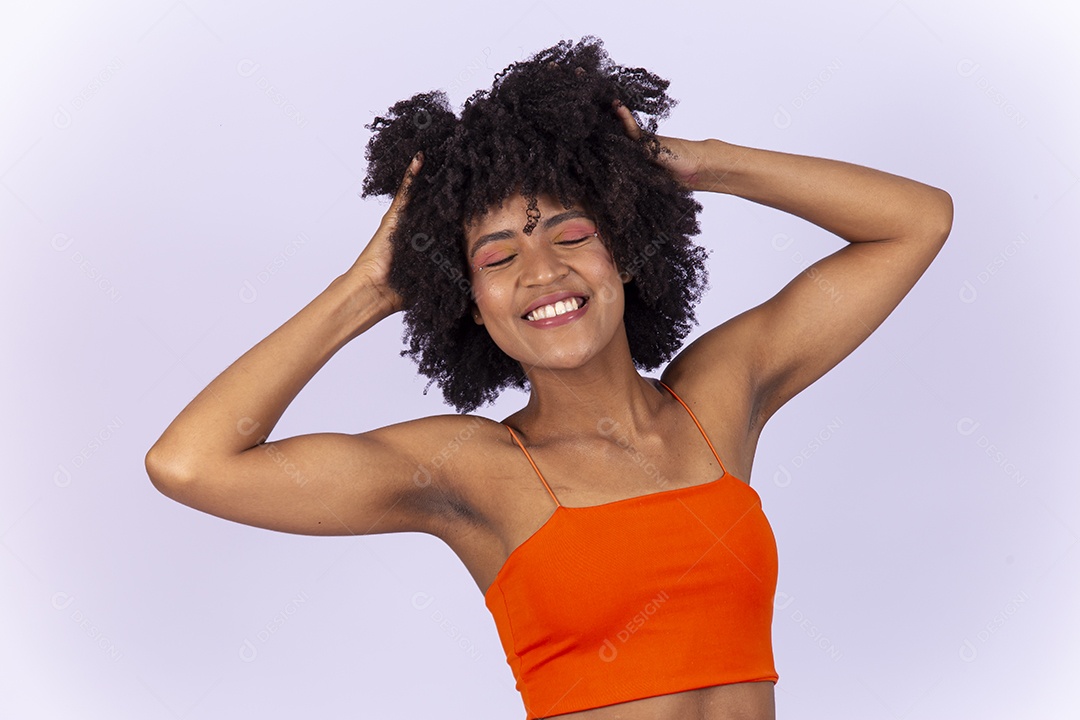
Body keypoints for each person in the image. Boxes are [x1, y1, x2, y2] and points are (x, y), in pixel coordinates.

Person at [146, 37, 952, 720]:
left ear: (625, 249)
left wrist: (685, 164)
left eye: (572, 233)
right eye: (497, 256)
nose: (542, 270)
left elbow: (916, 222)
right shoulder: (472, 470)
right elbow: (190, 462)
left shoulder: (717, 398)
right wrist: (370, 287)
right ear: (468, 300)